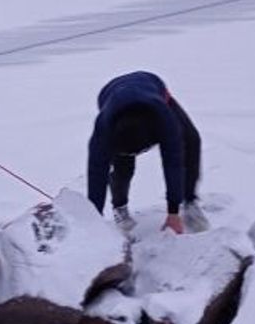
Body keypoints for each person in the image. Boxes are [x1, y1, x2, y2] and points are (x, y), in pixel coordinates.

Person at [87, 71, 209, 234]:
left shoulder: (165, 120)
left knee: (191, 141)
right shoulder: (104, 130)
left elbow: (173, 163)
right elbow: (96, 174)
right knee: (123, 167)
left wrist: (173, 212)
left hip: (152, 89)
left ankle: (190, 201)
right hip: (111, 97)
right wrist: (93, 221)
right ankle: (120, 207)